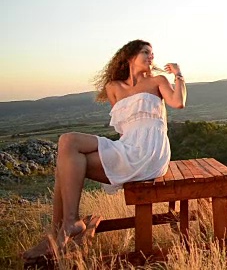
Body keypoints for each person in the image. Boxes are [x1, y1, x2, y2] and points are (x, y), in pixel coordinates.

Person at [22, 39, 187, 260]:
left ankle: (62, 229)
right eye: (145, 52)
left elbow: (178, 102)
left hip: (150, 152)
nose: (151, 57)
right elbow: (124, 129)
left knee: (67, 164)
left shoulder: (158, 80)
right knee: (67, 143)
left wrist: (179, 75)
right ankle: (67, 225)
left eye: (152, 53)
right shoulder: (114, 88)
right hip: (127, 146)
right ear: (130, 57)